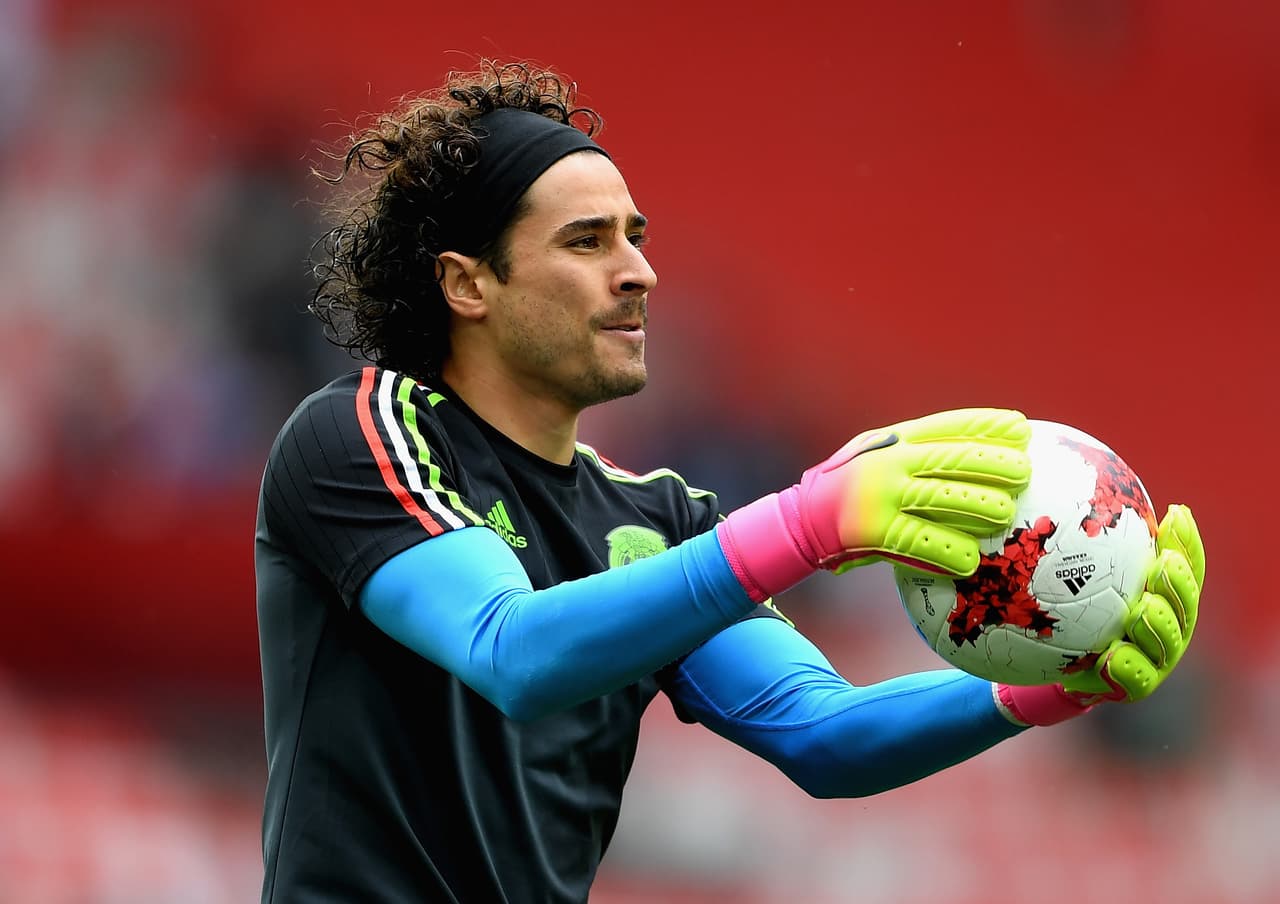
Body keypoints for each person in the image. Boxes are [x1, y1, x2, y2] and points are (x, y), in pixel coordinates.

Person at [254, 60, 1204, 903]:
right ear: (468, 284)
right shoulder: (363, 433)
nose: (639, 272)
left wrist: (1053, 689)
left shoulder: (656, 518)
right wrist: (806, 526)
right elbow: (512, 652)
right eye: (586, 242)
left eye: (636, 236)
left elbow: (825, 734)